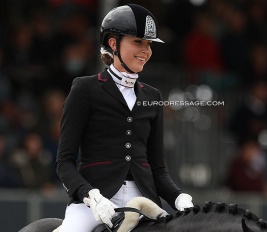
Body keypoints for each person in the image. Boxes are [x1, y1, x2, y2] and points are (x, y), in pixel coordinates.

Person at [55, 4, 194, 232]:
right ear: (113, 43)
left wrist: (178, 197)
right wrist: (91, 195)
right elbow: (64, 162)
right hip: (93, 204)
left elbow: (157, 169)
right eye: (138, 42)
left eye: (149, 44)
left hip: (145, 203)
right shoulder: (85, 89)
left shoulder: (152, 96)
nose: (146, 51)